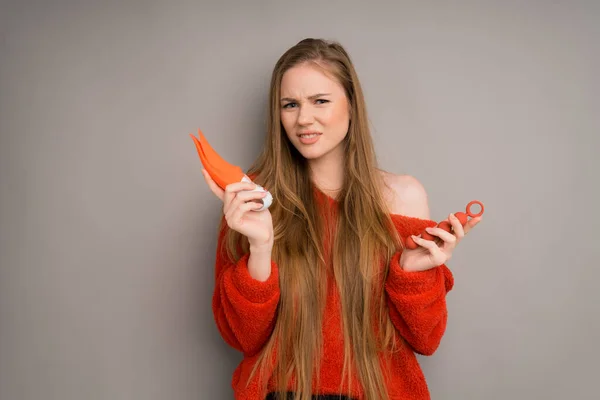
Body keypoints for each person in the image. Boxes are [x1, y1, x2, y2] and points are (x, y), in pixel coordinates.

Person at [200, 38, 482, 400]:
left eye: (320, 101)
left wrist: (411, 273)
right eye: (290, 104)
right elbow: (243, 337)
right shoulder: (251, 199)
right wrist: (260, 248)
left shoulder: (403, 197)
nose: (303, 118)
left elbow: (426, 339)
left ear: (352, 105)